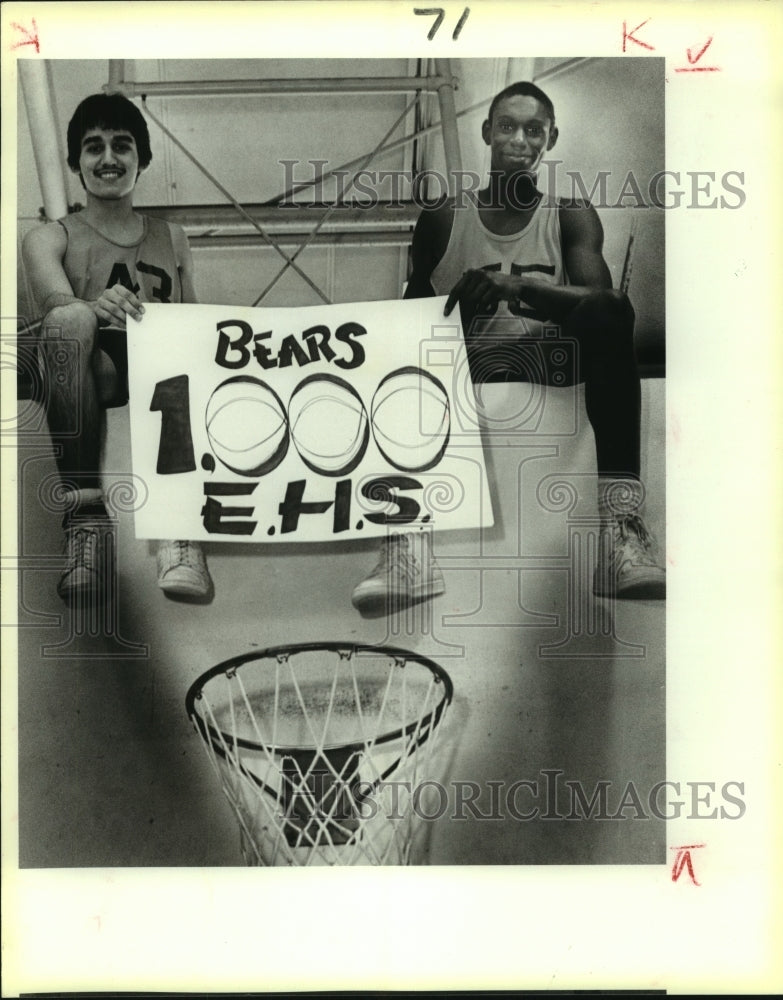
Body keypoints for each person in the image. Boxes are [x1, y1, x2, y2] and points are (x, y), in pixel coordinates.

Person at [351, 80, 665, 613]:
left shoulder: (569, 214)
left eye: (534, 129)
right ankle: (405, 540)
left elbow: (606, 305)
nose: (520, 139)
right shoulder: (444, 218)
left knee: (611, 312)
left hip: (548, 361)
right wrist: (451, 314)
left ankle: (620, 530)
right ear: (487, 132)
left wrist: (518, 288)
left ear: (551, 139)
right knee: (395, 356)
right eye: (508, 126)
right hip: (470, 367)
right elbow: (407, 322)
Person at [22, 93, 213, 605]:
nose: (108, 158)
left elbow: (196, 316)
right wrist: (93, 304)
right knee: (69, 318)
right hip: (95, 363)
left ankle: (178, 528)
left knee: (182, 338)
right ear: (75, 163)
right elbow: (54, 306)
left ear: (142, 159)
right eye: (93, 146)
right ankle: (85, 517)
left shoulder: (173, 237)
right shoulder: (49, 237)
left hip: (164, 371)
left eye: (121, 145)